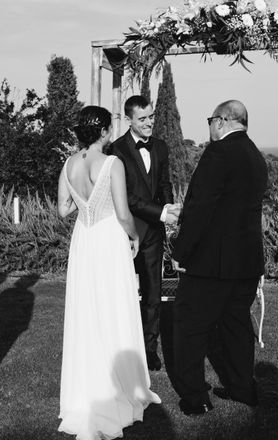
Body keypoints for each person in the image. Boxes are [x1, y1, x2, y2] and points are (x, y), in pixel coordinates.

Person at [57, 105, 160, 440]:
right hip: (107, 239)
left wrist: (82, 201)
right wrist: (133, 236)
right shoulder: (112, 163)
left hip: (84, 241)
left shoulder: (69, 164)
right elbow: (123, 211)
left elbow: (62, 210)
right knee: (114, 307)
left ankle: (86, 389)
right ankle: (118, 389)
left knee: (87, 311)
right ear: (102, 130)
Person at [170, 100, 268, 415]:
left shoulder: (218, 153)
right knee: (236, 325)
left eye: (211, 120)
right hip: (246, 261)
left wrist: (180, 250)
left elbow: (200, 206)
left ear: (223, 120)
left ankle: (195, 397)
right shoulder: (255, 155)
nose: (210, 126)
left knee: (190, 327)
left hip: (212, 262)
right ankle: (243, 389)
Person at [108, 95, 178, 371]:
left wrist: (169, 208)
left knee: (153, 293)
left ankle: (149, 350)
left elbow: (164, 183)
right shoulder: (116, 150)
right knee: (121, 293)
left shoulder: (160, 147)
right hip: (125, 231)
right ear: (129, 120)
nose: (149, 123)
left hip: (154, 234)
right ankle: (120, 346)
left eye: (151, 117)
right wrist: (160, 212)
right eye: (143, 119)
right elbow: (124, 196)